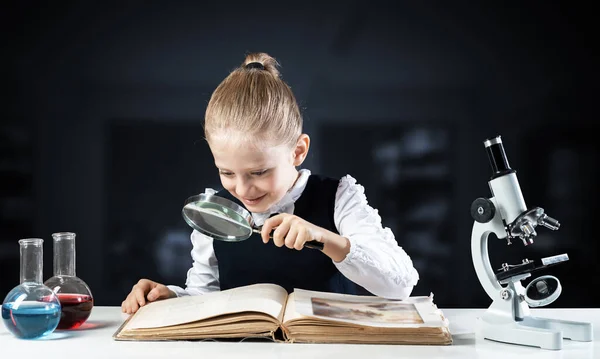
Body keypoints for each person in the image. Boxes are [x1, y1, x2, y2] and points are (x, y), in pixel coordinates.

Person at [121, 52, 419, 314]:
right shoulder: (215, 211)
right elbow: (204, 297)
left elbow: (400, 284)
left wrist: (324, 238)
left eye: (259, 172)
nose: (242, 189)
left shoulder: (339, 197)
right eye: (227, 172)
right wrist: (169, 296)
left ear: (298, 151)